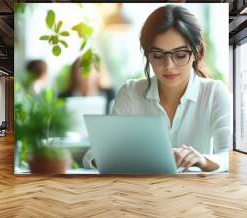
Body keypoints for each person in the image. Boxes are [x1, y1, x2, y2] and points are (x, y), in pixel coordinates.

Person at [83, 5, 231, 172]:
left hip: (196, 194)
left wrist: (203, 160)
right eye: (158, 55)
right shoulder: (131, 92)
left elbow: (230, 155)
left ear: (196, 53)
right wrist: (129, 158)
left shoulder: (214, 92)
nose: (168, 66)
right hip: (142, 192)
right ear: (147, 55)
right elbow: (92, 155)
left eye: (180, 55)